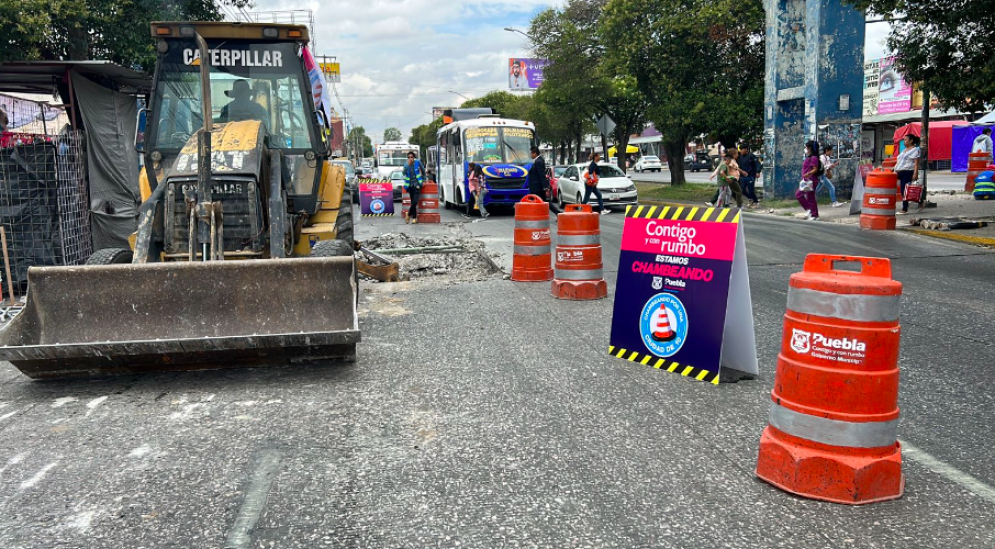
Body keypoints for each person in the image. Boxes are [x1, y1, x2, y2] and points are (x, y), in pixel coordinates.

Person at [895, 134, 920, 215]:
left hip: (907, 171)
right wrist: (892, 169)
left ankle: (904, 208)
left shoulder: (915, 150)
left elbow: (916, 163)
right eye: (904, 140)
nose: (904, 142)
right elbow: (899, 161)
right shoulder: (904, 150)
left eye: (906, 140)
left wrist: (915, 174)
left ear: (911, 140)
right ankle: (920, 202)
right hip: (899, 171)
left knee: (904, 190)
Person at [797, 140, 821, 221]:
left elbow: (815, 169)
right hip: (806, 180)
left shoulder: (814, 158)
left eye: (806, 148)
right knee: (800, 195)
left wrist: (808, 174)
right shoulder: (809, 157)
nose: (805, 149)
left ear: (809, 148)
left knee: (808, 197)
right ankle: (811, 211)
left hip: (811, 180)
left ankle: (813, 214)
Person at [402, 151, 425, 224]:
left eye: (411, 157)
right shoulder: (406, 164)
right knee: (412, 202)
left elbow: (423, 172)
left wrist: (423, 180)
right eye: (409, 157)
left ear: (414, 157)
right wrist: (407, 166)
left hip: (417, 184)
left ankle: (408, 215)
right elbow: (403, 173)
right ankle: (414, 218)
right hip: (409, 185)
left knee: (415, 202)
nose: (410, 158)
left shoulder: (418, 162)